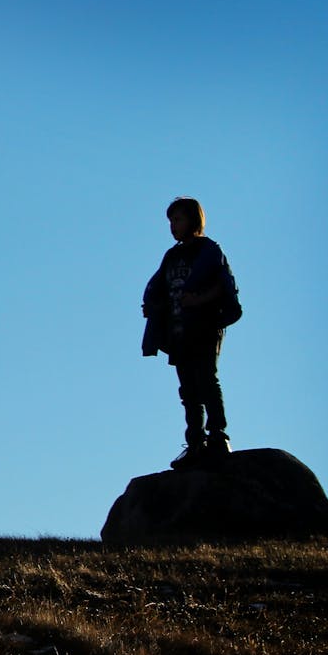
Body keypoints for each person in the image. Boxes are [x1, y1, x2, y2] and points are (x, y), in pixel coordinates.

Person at [142, 198, 241, 470]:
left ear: (193, 221)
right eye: (171, 221)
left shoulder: (209, 250)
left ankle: (218, 435)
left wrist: (199, 301)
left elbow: (223, 286)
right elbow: (160, 286)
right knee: (188, 390)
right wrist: (153, 306)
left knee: (207, 380)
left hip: (204, 328)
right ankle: (196, 442)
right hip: (179, 332)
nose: (173, 226)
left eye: (178, 219)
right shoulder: (171, 256)